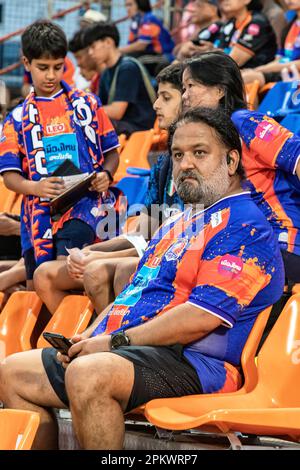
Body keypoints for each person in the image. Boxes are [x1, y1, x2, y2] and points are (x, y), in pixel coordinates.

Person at [0, 108, 284, 450]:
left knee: (90, 374)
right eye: (178, 155)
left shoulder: (243, 224)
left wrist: (112, 342)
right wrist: (90, 335)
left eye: (200, 152)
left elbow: (199, 317)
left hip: (197, 363)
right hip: (143, 351)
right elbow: (131, 295)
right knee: (13, 372)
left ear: (232, 160)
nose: (185, 164)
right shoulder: (177, 221)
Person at [33, 62, 184, 315]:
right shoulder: (162, 165)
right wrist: (91, 250)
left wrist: (98, 258)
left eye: (165, 98)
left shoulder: (201, 168)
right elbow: (143, 234)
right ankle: (87, 336)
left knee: (103, 270)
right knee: (44, 274)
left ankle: (106, 342)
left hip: (173, 259)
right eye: (158, 96)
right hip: (148, 251)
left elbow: (171, 242)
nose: (156, 105)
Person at [0, 20, 121, 288]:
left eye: (58, 67)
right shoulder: (16, 119)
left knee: (72, 277)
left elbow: (112, 152)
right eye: (43, 68)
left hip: (86, 207)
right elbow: (10, 177)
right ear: (26, 63)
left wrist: (106, 174)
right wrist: (37, 186)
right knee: (36, 287)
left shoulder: (87, 103)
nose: (51, 75)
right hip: (38, 216)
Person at [181, 52, 300, 283]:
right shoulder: (209, 139)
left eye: (191, 86)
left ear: (219, 91)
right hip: (242, 243)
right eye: (183, 88)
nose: (184, 96)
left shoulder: (244, 122)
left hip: (281, 245)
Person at [84, 21, 156, 136]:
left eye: (93, 47)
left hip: (140, 128)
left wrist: (83, 108)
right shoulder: (106, 73)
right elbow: (101, 106)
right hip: (125, 125)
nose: (90, 53)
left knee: (94, 125)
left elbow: (117, 111)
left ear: (108, 42)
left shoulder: (127, 68)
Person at [191, 0, 277, 68]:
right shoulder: (231, 23)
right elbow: (221, 52)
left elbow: (232, 62)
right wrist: (211, 49)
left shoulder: (257, 23)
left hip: (253, 78)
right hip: (233, 74)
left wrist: (211, 53)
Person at [242, 0, 300, 86]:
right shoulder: (291, 24)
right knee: (242, 76)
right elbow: (280, 58)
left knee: (246, 78)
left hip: (293, 73)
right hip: (282, 71)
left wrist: (261, 69)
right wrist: (259, 69)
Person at [120, 0, 175, 76]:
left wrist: (118, 50)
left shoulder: (149, 19)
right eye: (126, 5)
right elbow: (131, 45)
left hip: (164, 57)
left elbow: (141, 45)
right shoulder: (136, 22)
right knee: (127, 59)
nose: (127, 9)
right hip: (149, 56)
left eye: (130, 5)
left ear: (140, 5)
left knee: (133, 62)